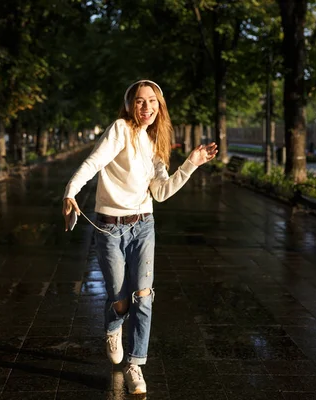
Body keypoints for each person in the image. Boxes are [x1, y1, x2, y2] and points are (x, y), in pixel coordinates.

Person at [62, 80, 217, 394]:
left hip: (143, 225)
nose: (147, 108)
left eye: (153, 102)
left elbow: (160, 193)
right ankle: (114, 326)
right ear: (130, 104)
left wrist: (191, 164)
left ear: (160, 107)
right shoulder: (120, 130)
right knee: (119, 299)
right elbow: (93, 162)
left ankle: (136, 365)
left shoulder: (156, 144)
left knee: (143, 297)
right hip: (109, 226)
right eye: (140, 101)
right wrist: (70, 192)